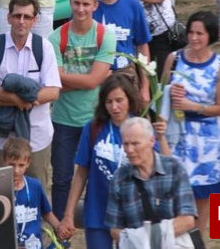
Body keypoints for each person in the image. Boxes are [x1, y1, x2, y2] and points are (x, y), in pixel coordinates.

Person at [59, 73, 168, 247]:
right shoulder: (93, 128)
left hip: (133, 215)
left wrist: (161, 138)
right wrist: (68, 214)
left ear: (129, 99)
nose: (114, 107)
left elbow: (167, 167)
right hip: (98, 213)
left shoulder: (140, 127)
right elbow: (81, 173)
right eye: (109, 102)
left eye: (119, 100)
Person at [0, 0, 62, 186]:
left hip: (36, 138)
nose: (21, 21)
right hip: (0, 139)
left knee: (35, 193)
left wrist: (7, 98)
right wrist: (15, 99)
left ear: (34, 20)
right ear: (8, 17)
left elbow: (53, 91)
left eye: (27, 17)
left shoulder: (44, 47)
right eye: (17, 15)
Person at [48, 0, 116, 219]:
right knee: (61, 177)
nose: (81, 9)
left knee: (99, 175)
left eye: (86, 4)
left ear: (95, 5)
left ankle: (99, 222)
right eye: (76, 3)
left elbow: (92, 81)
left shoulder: (105, 36)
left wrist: (70, 80)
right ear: (70, 3)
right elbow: (58, 80)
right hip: (63, 119)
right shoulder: (56, 37)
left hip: (95, 118)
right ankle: (60, 227)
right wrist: (91, 79)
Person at [165, 11, 220, 233]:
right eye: (191, 32)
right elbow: (160, 94)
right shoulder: (174, 59)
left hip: (206, 139)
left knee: (203, 195)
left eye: (200, 33)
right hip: (177, 134)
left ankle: (198, 239)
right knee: (175, 192)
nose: (194, 38)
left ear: (210, 35)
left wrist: (193, 106)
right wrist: (170, 95)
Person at [104, 117, 197, 243]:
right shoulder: (119, 178)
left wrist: (149, 241)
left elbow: (187, 220)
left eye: (135, 144)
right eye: (126, 144)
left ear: (151, 141)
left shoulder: (175, 169)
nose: (129, 150)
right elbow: (115, 229)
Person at [1, 136, 61, 248]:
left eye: (21, 165)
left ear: (28, 163)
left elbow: (46, 212)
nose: (16, 170)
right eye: (12, 164)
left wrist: (59, 227)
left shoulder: (34, 185)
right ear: (4, 161)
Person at [92, 0, 151, 70]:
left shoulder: (133, 5)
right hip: (94, 73)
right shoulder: (85, 6)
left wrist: (145, 80)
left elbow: (142, 46)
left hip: (126, 73)